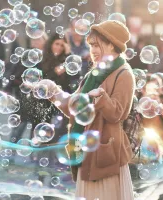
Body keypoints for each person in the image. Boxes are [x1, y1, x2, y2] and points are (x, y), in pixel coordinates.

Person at [50, 20, 134, 199]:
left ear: (112, 45)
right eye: (91, 46)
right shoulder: (93, 74)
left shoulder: (124, 73)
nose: (93, 51)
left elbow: (118, 113)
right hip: (85, 151)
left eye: (97, 45)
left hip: (106, 157)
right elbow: (75, 106)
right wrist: (53, 92)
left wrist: (101, 97)